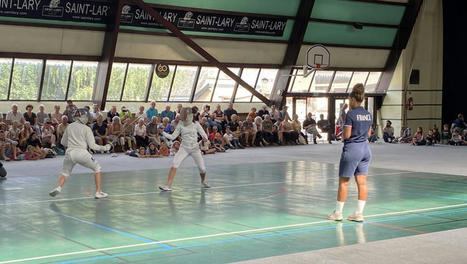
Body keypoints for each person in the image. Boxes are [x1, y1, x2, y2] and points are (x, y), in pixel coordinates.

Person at [328, 83, 372, 223]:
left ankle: (338, 213)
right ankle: (359, 214)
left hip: (352, 149)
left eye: (349, 99)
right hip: (365, 149)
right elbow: (369, 133)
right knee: (362, 183)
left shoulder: (350, 114)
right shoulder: (368, 114)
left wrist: (342, 136)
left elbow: (347, 135)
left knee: (344, 182)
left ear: (353, 99)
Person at [49, 109, 111, 199]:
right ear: (84, 117)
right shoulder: (87, 128)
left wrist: (73, 142)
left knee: (65, 172)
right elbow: (93, 146)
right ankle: (98, 192)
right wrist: (106, 148)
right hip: (82, 153)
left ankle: (58, 187)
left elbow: (63, 142)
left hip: (69, 153)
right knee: (97, 168)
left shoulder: (69, 127)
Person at [159, 107, 210, 191]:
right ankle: (168, 186)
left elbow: (205, 135)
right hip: (184, 148)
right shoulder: (180, 124)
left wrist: (205, 138)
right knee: (174, 164)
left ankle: (203, 182)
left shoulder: (196, 124)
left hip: (195, 149)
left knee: (202, 169)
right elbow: (172, 137)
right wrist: (163, 132)